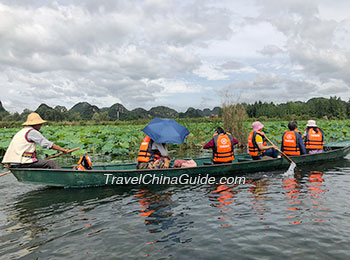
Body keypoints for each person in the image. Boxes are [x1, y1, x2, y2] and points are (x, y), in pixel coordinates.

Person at [2, 112, 70, 169]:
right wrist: (63, 150)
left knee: (44, 164)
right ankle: (66, 178)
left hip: (14, 162)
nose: (41, 126)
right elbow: (47, 144)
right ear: (35, 124)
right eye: (40, 124)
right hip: (23, 162)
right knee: (51, 163)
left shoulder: (22, 131)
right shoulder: (32, 132)